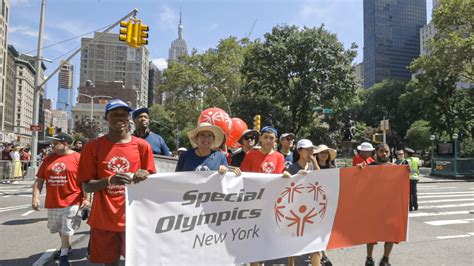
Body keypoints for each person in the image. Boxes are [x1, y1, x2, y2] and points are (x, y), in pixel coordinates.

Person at [77, 99, 156, 265]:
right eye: (114, 114)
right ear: (106, 117)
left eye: (124, 114)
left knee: (137, 261)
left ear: (129, 118)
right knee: (110, 263)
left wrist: (146, 173)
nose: (120, 118)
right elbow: (87, 186)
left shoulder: (143, 146)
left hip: (135, 218)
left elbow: (153, 182)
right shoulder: (92, 147)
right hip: (103, 219)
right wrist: (110, 180)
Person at [32, 132, 90, 266]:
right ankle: (66, 246)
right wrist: (35, 197)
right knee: (59, 227)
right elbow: (39, 180)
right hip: (53, 200)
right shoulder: (48, 159)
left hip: (73, 199)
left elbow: (84, 181)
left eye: (54, 143)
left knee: (66, 226)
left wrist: (86, 198)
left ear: (64, 144)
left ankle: (64, 255)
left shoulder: (78, 158)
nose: (51, 146)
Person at [365, 143, 395, 266]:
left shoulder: (394, 168)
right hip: (373, 208)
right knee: (371, 235)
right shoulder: (368, 167)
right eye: (382, 151)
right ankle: (369, 258)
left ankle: (385, 259)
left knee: (391, 235)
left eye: (386, 151)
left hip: (390, 208)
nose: (384, 154)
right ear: (376, 152)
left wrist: (406, 172)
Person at [405, 147, 420, 212]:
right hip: (415, 177)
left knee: (409, 193)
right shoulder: (417, 159)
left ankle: (410, 207)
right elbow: (418, 167)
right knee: (414, 193)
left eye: (405, 153)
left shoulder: (406, 160)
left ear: (407, 154)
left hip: (408, 178)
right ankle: (416, 206)